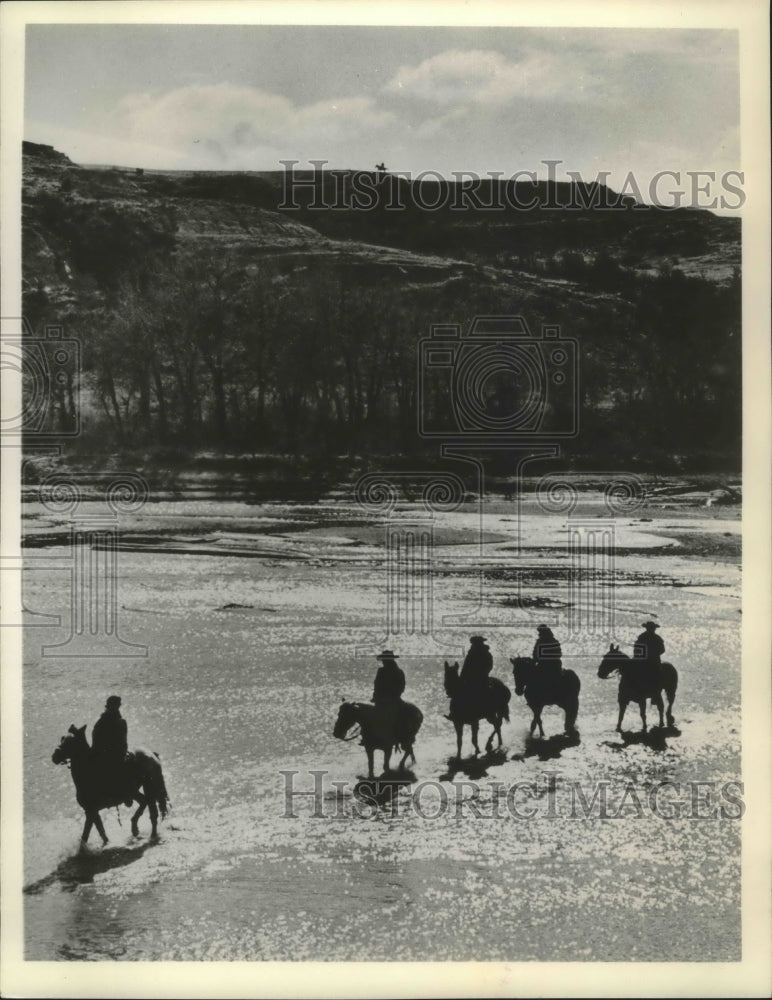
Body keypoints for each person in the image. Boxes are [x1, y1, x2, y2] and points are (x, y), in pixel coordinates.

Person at [92, 695, 132, 805]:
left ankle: (126, 794)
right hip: (100, 751)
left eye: (115, 706)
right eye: (112, 706)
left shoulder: (120, 722)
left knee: (116, 768)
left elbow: (121, 741)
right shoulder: (102, 720)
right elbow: (95, 736)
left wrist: (109, 750)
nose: (113, 708)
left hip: (116, 753)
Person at [634, 621, 665, 697]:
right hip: (649, 660)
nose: (652, 629)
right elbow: (662, 650)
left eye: (652, 628)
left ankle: (656, 692)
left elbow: (662, 650)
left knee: (657, 673)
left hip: (649, 660)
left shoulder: (643, 637)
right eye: (651, 628)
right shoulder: (654, 638)